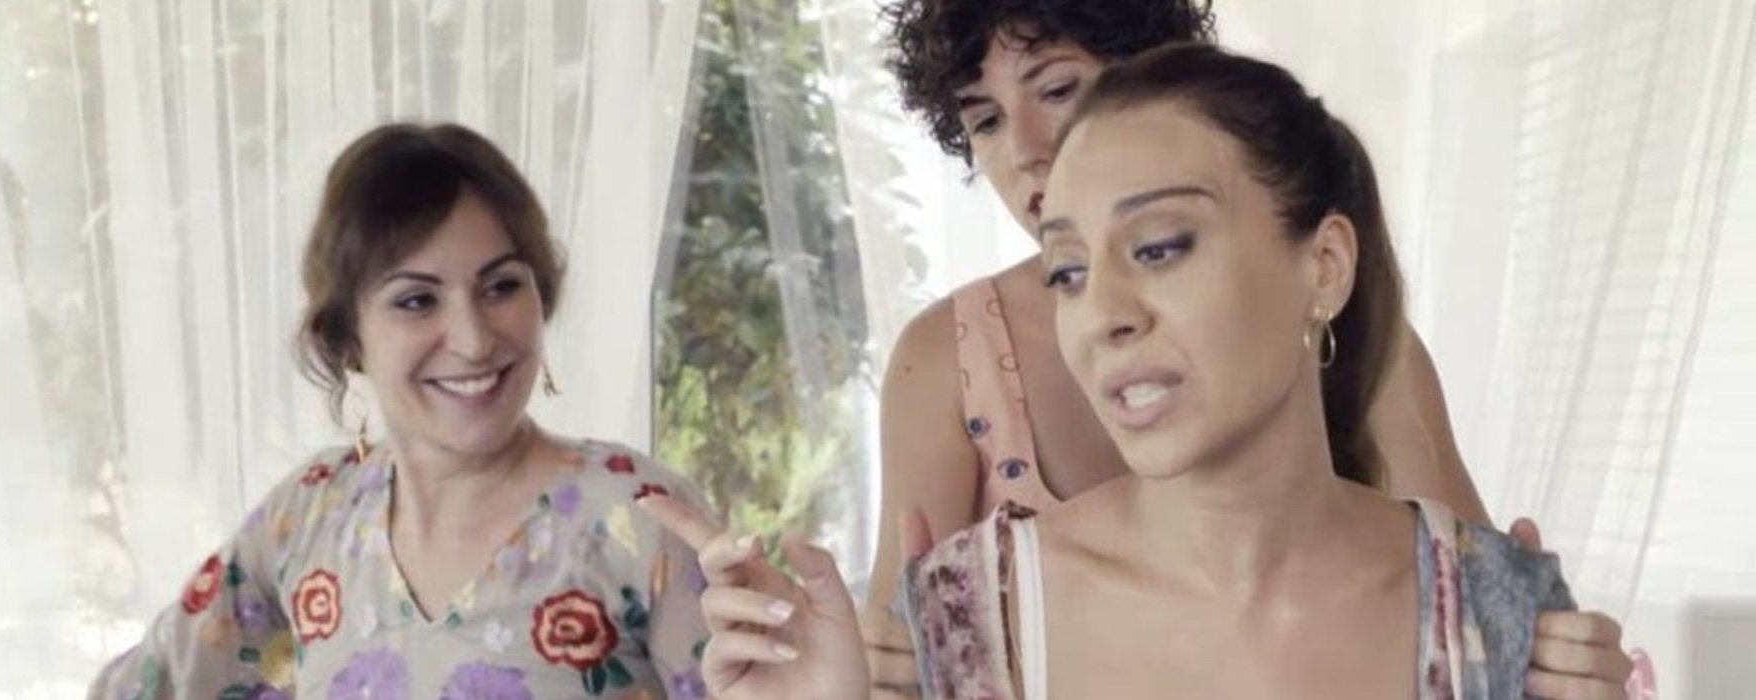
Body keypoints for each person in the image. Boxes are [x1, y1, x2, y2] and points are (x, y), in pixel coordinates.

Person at [643, 43, 1616, 699]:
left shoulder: (1496, 614)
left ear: (1323, 266)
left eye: (1158, 247)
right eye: (1067, 271)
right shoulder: (964, 618)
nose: (1103, 314)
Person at [92, 123, 713, 699]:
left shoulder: (643, 519)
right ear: (348, 336)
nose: (473, 340)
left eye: (501, 287)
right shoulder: (307, 517)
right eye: (417, 301)